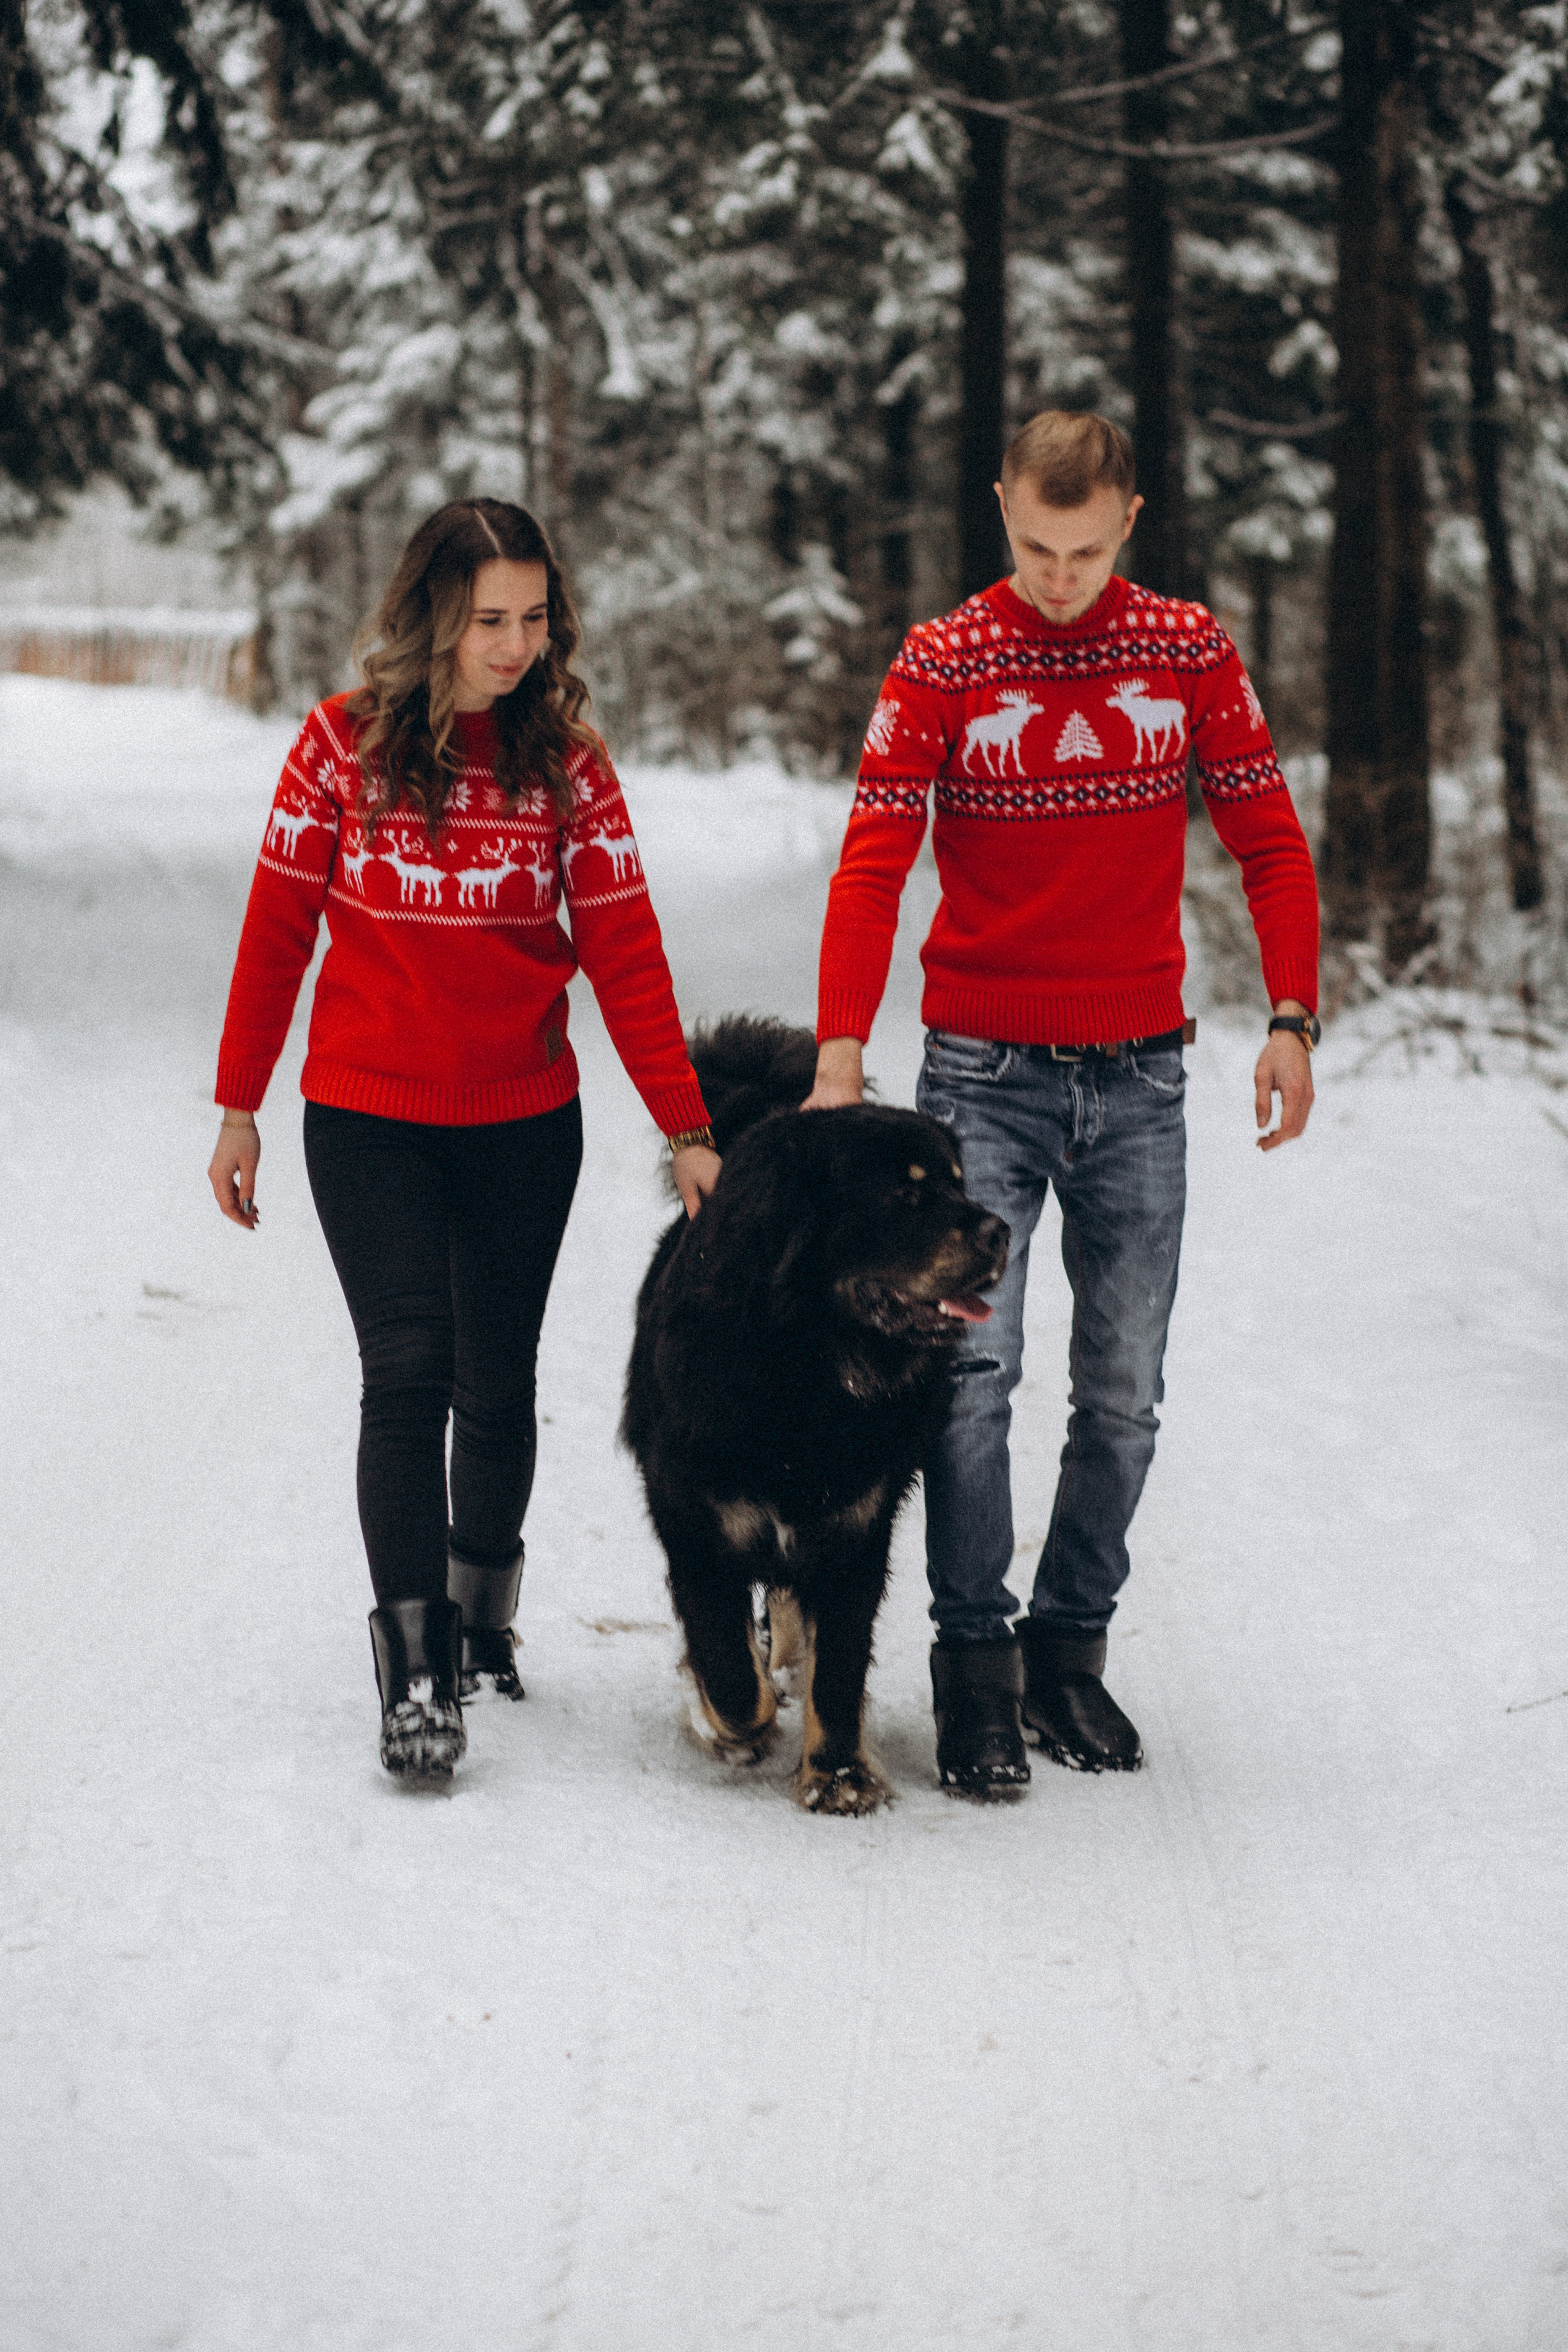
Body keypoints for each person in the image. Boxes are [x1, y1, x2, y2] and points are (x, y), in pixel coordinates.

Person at [804, 411, 1319, 1796]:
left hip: (1140, 1074)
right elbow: (872, 861)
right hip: (980, 1073)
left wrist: (1287, 1014)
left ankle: (1069, 1652)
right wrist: (841, 1053)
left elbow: (1267, 839)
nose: (1056, 576)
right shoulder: (942, 662)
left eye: (1084, 550)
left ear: (1129, 521)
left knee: (1124, 1390)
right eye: (1033, 545)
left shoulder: (1188, 651)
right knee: (969, 1381)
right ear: (999, 511)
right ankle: (972, 1669)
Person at [208, 499, 720, 1782]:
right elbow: (277, 933)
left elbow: (625, 950)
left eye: (533, 618)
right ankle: (416, 1673)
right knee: (409, 1374)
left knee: (497, 1382)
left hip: (519, 1121)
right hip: (369, 1116)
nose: (512, 643)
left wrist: (687, 1125)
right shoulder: (339, 747)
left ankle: (484, 1626)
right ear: (431, 612)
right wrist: (239, 1105)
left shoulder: (568, 765)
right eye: (489, 617)